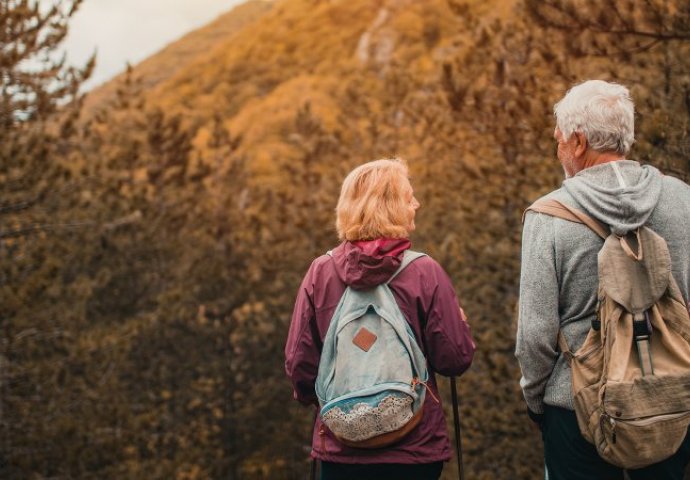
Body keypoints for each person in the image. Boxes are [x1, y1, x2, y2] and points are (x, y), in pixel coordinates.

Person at [516, 79, 690, 479]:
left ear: (577, 142)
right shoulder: (680, 199)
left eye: (559, 138)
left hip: (576, 406)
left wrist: (537, 400)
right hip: (671, 398)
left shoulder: (549, 216)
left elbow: (534, 335)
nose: (557, 147)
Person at [285, 158, 475, 480]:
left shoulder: (321, 272)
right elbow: (454, 360)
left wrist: (324, 402)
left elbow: (299, 365)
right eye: (408, 196)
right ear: (390, 207)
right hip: (414, 448)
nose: (416, 203)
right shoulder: (424, 271)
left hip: (341, 445)